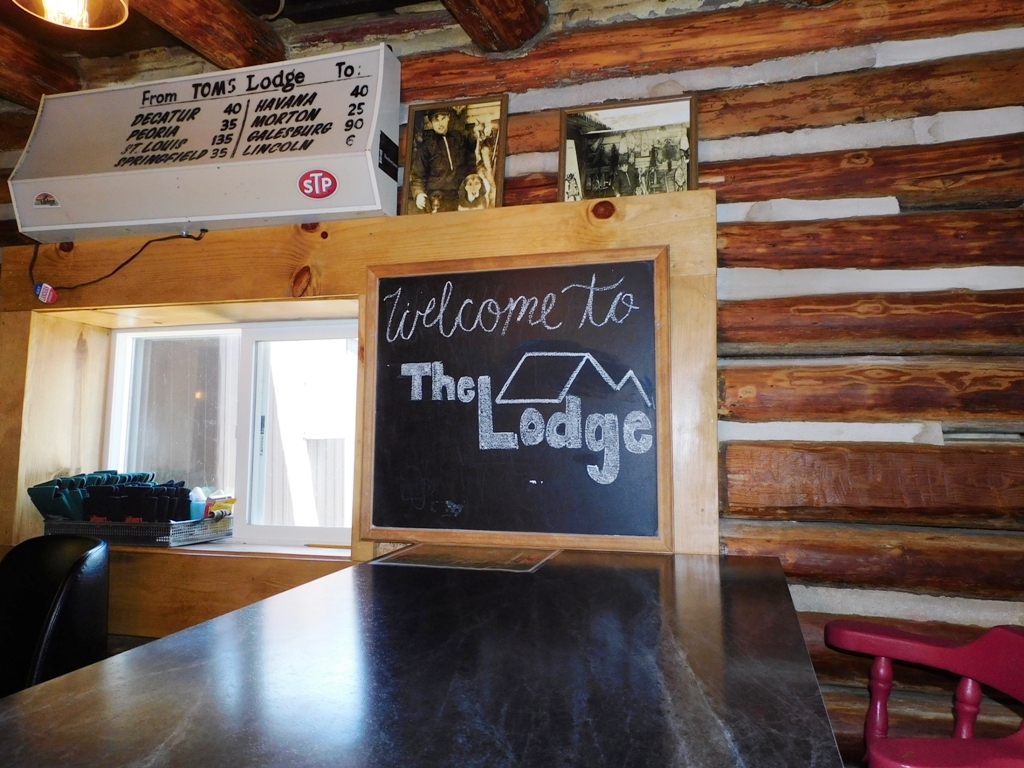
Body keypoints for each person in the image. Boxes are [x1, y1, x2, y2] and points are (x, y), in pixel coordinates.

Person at [408, 107, 475, 214]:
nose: (440, 124)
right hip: (438, 196)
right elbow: (418, 176)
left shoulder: (460, 138)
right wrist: (419, 193)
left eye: (443, 118)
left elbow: (474, 151)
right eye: (436, 120)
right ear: (431, 124)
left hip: (461, 193)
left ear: (448, 118)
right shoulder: (426, 146)